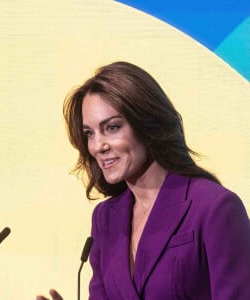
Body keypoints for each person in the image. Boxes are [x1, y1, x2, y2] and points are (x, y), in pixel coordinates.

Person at [37, 61, 250, 300]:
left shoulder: (215, 208)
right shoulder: (105, 218)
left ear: (147, 125)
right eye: (90, 133)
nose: (98, 146)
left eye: (112, 127)